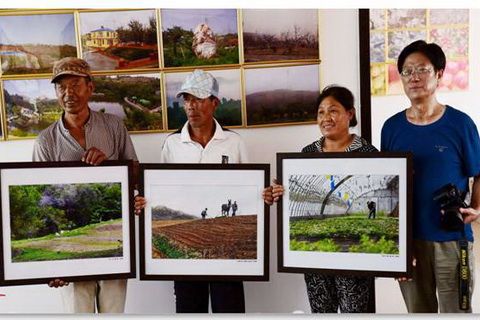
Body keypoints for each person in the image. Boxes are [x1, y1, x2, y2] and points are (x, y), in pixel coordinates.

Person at [135, 69, 248, 313]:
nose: (191, 106)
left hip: (226, 244)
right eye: (186, 99)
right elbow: (161, 190)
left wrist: (263, 196)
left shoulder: (234, 142)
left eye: (198, 99)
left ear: (215, 102)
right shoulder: (172, 144)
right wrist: (147, 202)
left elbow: (249, 189)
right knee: (189, 308)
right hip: (186, 255)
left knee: (229, 307)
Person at [380, 40, 480, 313]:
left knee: (456, 312)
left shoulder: (460, 124)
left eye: (422, 69)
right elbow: (390, 189)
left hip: (452, 239)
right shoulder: (391, 128)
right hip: (411, 241)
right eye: (407, 71)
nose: (414, 77)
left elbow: (479, 173)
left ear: (438, 73)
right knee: (418, 312)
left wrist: (477, 207)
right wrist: (396, 246)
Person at [33, 57, 138, 313]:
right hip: (69, 245)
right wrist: (51, 265)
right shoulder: (46, 140)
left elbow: (135, 173)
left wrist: (110, 165)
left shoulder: (113, 126)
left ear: (90, 87)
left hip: (114, 241)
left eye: (75, 85)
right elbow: (42, 200)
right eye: (61, 87)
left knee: (113, 312)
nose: (68, 93)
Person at [263, 85, 377, 313]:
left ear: (350, 114)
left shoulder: (369, 154)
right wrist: (276, 192)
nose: (326, 118)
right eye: (321, 112)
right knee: (321, 312)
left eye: (333, 110)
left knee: (354, 312)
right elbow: (297, 193)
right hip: (315, 256)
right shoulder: (306, 154)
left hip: (355, 258)